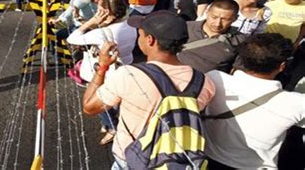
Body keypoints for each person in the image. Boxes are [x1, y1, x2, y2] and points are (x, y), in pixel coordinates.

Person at [82, 11, 215, 169]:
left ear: (150, 40)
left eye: (140, 35)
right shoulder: (204, 82)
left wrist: (102, 67)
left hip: (131, 157)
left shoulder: (128, 75)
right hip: (174, 160)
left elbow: (89, 107)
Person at [203, 33, 304, 169]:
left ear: (242, 59)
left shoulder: (214, 79)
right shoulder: (297, 104)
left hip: (205, 161)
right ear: (282, 66)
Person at [67, 0, 136, 145]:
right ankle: (113, 124)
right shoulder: (130, 24)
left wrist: (91, 22)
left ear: (108, 14)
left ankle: (112, 128)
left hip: (105, 73)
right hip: (125, 65)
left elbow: (71, 39)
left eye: (100, 11)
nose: (96, 13)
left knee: (102, 102)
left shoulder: (102, 33)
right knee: (117, 101)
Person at [178, 0, 246, 73]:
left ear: (235, 19)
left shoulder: (240, 41)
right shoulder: (186, 27)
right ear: (207, 12)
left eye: (225, 19)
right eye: (214, 17)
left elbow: (238, 70)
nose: (217, 24)